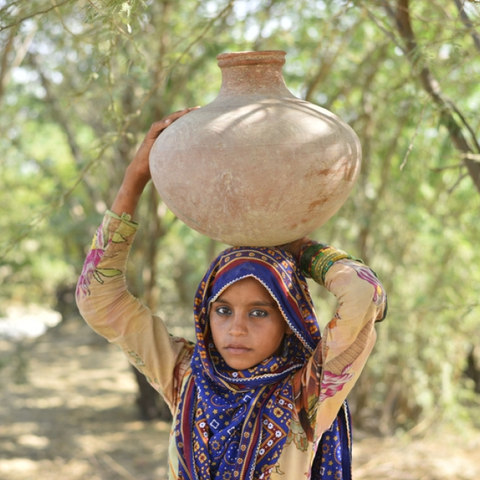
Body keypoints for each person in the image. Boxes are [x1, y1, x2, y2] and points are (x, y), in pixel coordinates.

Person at [76, 108, 387, 480]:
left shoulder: (308, 394)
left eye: (259, 313)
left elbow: (363, 293)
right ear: (205, 314)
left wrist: (295, 246)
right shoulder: (186, 377)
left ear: (288, 321)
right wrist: (135, 179)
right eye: (222, 311)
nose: (236, 329)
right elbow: (98, 298)